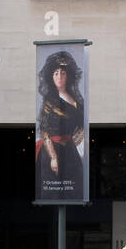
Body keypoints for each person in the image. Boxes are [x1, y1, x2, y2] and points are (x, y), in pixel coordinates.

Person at [36, 50, 85, 183]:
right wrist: (53, 157)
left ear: (68, 76)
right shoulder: (49, 101)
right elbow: (44, 131)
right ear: (51, 76)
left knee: (76, 186)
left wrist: (73, 142)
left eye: (63, 73)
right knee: (54, 187)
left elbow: (82, 125)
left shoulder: (77, 100)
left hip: (69, 150)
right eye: (56, 73)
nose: (59, 76)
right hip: (51, 152)